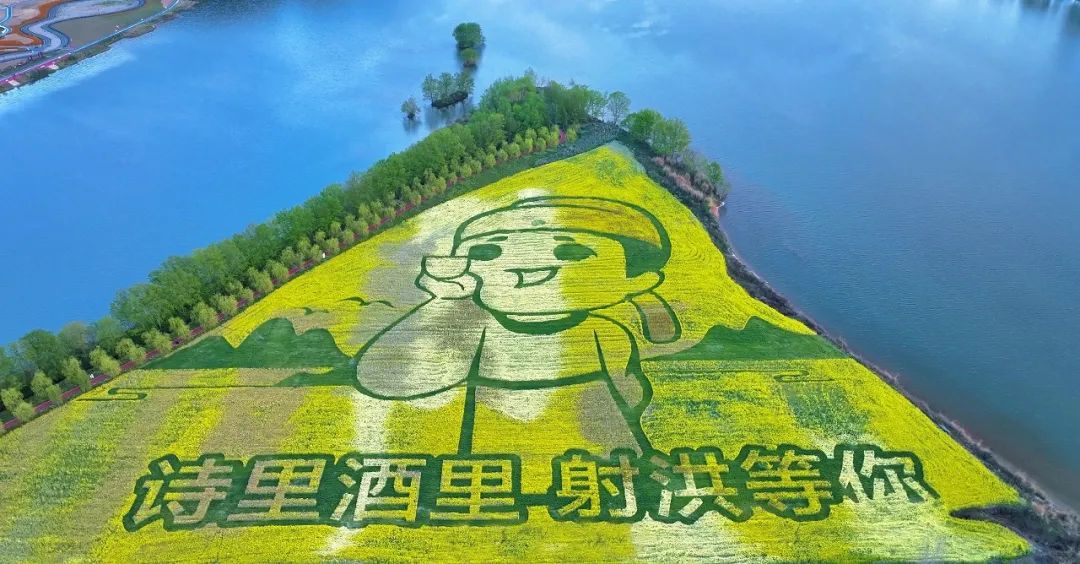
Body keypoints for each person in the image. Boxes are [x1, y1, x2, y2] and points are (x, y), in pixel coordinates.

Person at [355, 196, 681, 485]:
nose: (522, 265)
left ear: (637, 281)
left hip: (597, 466)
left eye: (571, 251)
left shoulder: (607, 334)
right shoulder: (478, 327)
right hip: (495, 467)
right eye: (487, 252)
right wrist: (444, 302)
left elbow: (628, 392)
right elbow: (390, 380)